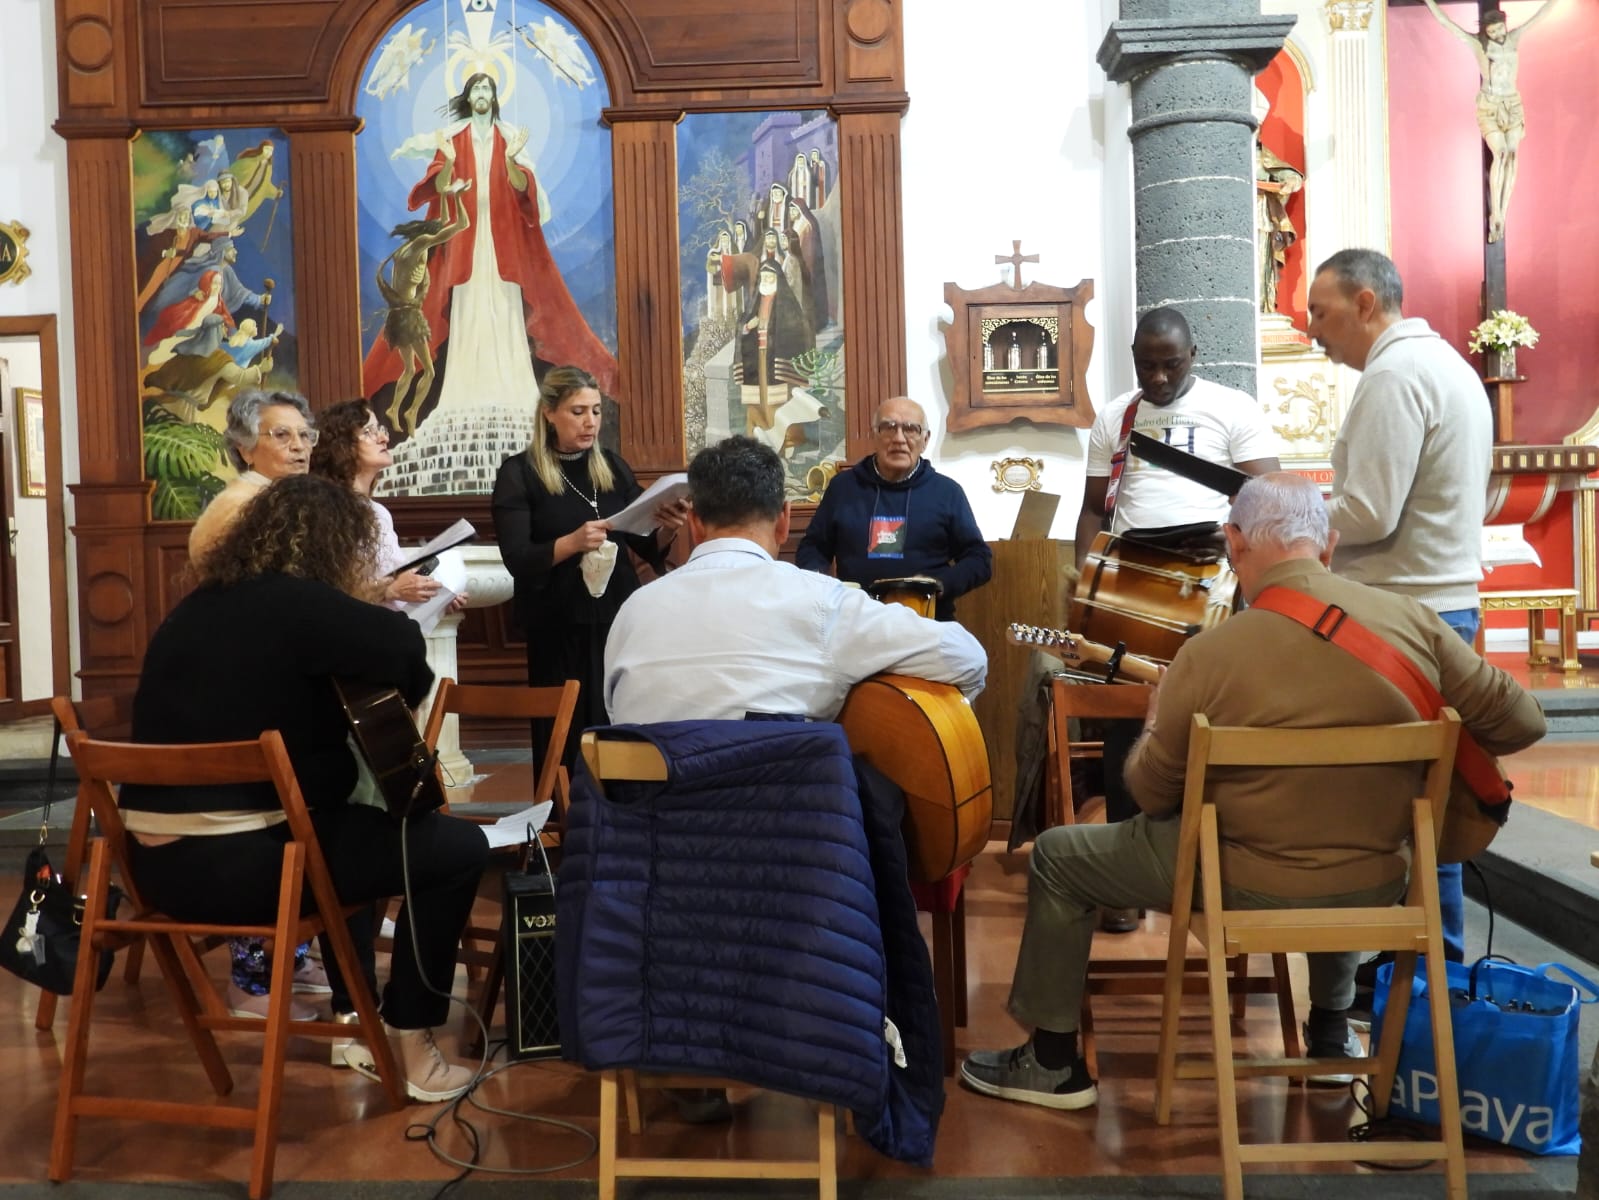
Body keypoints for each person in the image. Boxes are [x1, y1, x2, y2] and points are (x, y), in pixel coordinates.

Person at [961, 473, 1545, 1112]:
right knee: (1337, 825)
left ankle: (1051, 1065)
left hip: (1234, 881)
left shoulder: (1209, 654)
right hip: (1376, 883)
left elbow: (1152, 795)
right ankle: (1328, 1032)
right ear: (1329, 546)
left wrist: (1155, 725)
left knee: (1059, 857)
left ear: (1234, 544)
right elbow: (1524, 723)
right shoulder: (1416, 625)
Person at [122, 475, 490, 1102]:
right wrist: (362, 600)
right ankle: (411, 1040)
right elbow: (406, 654)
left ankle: (356, 1012)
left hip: (154, 875)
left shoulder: (194, 608)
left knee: (342, 822)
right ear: (334, 548)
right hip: (257, 870)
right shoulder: (300, 604)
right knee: (454, 850)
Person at [1060, 308, 1280, 929]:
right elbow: (1092, 511)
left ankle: (1209, 870)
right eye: (1145, 364)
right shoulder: (1115, 417)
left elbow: (1269, 498)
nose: (1157, 377)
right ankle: (1125, 882)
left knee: (1206, 721)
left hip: (1209, 579)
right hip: (1130, 584)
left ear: (1194, 355)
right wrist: (1087, 582)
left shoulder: (1231, 408)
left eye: (1170, 364)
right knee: (1126, 724)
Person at [1308, 247, 1493, 967]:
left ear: (1363, 303)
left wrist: (1299, 512)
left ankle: (1422, 980)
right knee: (1427, 802)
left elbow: (1369, 512)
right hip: (1436, 609)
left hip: (1403, 617)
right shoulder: (1444, 364)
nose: (1314, 332)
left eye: (1320, 313)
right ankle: (1415, 973)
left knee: (1405, 806)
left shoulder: (1393, 373)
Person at [606, 435, 987, 724]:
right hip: (786, 823)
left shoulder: (632, 611)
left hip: (652, 823)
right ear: (785, 520)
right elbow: (966, 656)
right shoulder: (823, 604)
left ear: (694, 523)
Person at [362, 73, 618, 424]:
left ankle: (513, 393)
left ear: (495, 96)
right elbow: (438, 185)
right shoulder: (451, 137)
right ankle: (462, 395)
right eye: (477, 89)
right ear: (468, 96)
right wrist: (449, 159)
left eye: (487, 89)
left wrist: (511, 159)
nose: (482, 94)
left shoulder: (511, 137)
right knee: (467, 313)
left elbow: (523, 188)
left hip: (503, 246)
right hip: (464, 244)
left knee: (505, 311)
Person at [492, 366, 689, 771]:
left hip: (616, 613)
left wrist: (666, 525)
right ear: (549, 412)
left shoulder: (612, 467)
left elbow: (645, 544)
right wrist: (572, 543)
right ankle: (561, 817)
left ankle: (614, 813)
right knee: (563, 733)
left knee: (614, 719)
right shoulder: (519, 473)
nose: (591, 423)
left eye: (596, 412)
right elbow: (518, 558)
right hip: (556, 619)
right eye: (578, 411)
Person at [795, 397, 992, 622]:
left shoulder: (947, 492)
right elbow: (813, 548)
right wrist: (822, 585)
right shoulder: (843, 488)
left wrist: (940, 584)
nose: (899, 438)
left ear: (925, 439)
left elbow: (979, 559)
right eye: (888, 427)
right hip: (855, 622)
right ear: (874, 436)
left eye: (910, 429)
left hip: (927, 622)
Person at [1418, 0, 1561, 242]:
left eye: (1499, 29)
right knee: (1502, 153)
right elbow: (1446, 23)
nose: (1497, 34)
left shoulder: (1515, 38)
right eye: (1492, 31)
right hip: (1490, 105)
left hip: (1512, 104)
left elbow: (1540, 15)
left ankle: (1502, 214)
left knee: (1514, 155)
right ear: (1485, 31)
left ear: (1504, 25)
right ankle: (1496, 211)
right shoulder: (1478, 45)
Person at [308, 399, 442, 606]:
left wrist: (437, 595)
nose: (383, 438)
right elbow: (331, 588)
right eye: (368, 432)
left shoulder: (379, 512)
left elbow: (396, 579)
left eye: (380, 429)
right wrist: (389, 590)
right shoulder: (327, 509)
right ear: (343, 447)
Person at [189, 389, 317, 565]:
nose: (299, 446)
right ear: (245, 450)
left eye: (304, 435)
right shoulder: (238, 508)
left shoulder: (294, 498)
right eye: (281, 435)